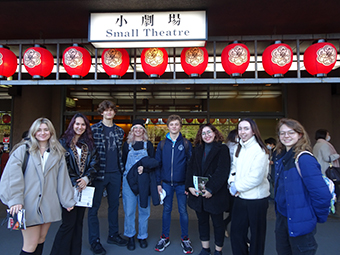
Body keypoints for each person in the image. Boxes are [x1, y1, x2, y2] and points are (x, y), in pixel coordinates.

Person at [0, 117, 75, 255]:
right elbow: (12, 177)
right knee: (30, 244)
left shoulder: (57, 153)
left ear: (51, 132)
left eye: (46, 129)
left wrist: (67, 200)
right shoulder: (23, 150)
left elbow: (62, 178)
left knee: (41, 239)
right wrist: (15, 200)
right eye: (39, 130)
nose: (42, 132)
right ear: (33, 132)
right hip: (28, 204)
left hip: (48, 204)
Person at [273, 118, 331, 255]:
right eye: (282, 133)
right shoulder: (283, 157)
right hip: (283, 218)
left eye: (291, 132)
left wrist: (313, 218)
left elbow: (322, 194)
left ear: (300, 135)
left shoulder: (304, 159)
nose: (286, 136)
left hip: (300, 220)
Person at [50, 113, 98, 255]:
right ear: (72, 125)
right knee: (68, 223)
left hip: (84, 188)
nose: (80, 127)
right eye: (77, 124)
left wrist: (86, 178)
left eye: (83, 124)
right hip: (68, 188)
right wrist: (75, 181)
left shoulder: (89, 143)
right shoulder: (63, 142)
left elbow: (95, 163)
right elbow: (60, 166)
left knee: (78, 223)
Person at [88, 100, 128, 255]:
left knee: (114, 206)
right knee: (94, 208)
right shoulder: (94, 129)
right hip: (98, 173)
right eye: (106, 110)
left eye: (112, 110)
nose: (109, 112)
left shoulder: (119, 131)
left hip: (115, 173)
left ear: (114, 113)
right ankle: (94, 241)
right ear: (102, 112)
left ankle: (113, 235)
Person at [186, 123, 230, 255]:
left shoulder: (222, 149)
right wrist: (189, 186)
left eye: (209, 132)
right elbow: (190, 168)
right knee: (202, 222)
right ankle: (205, 248)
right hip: (198, 193)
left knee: (218, 223)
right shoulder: (197, 149)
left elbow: (222, 171)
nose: (207, 135)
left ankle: (218, 250)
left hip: (215, 193)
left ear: (215, 133)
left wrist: (211, 189)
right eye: (203, 133)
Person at [228, 118, 270, 255]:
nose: (242, 132)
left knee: (257, 236)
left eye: (246, 128)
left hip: (257, 199)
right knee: (236, 232)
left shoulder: (260, 150)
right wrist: (231, 183)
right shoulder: (239, 147)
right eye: (240, 129)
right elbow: (233, 168)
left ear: (253, 131)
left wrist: (236, 187)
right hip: (240, 197)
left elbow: (256, 178)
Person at [155, 114, 193, 254]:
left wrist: (189, 184)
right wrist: (158, 183)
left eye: (177, 124)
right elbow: (157, 164)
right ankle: (165, 237)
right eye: (172, 124)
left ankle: (185, 239)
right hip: (165, 184)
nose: (174, 127)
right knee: (166, 210)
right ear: (168, 126)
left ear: (180, 126)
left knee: (183, 211)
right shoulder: (162, 144)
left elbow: (191, 166)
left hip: (182, 184)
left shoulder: (186, 144)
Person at [122, 119, 158, 250]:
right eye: (135, 128)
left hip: (144, 182)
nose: (138, 130)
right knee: (129, 210)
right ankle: (130, 236)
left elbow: (153, 163)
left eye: (140, 128)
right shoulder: (127, 145)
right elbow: (123, 161)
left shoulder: (147, 145)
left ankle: (142, 236)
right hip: (128, 182)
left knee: (144, 210)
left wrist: (145, 169)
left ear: (144, 130)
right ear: (132, 131)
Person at [224, 129, 238, 238]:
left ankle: (225, 225)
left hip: (229, 182)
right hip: (233, 182)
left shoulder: (226, 146)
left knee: (234, 209)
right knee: (236, 209)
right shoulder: (233, 147)